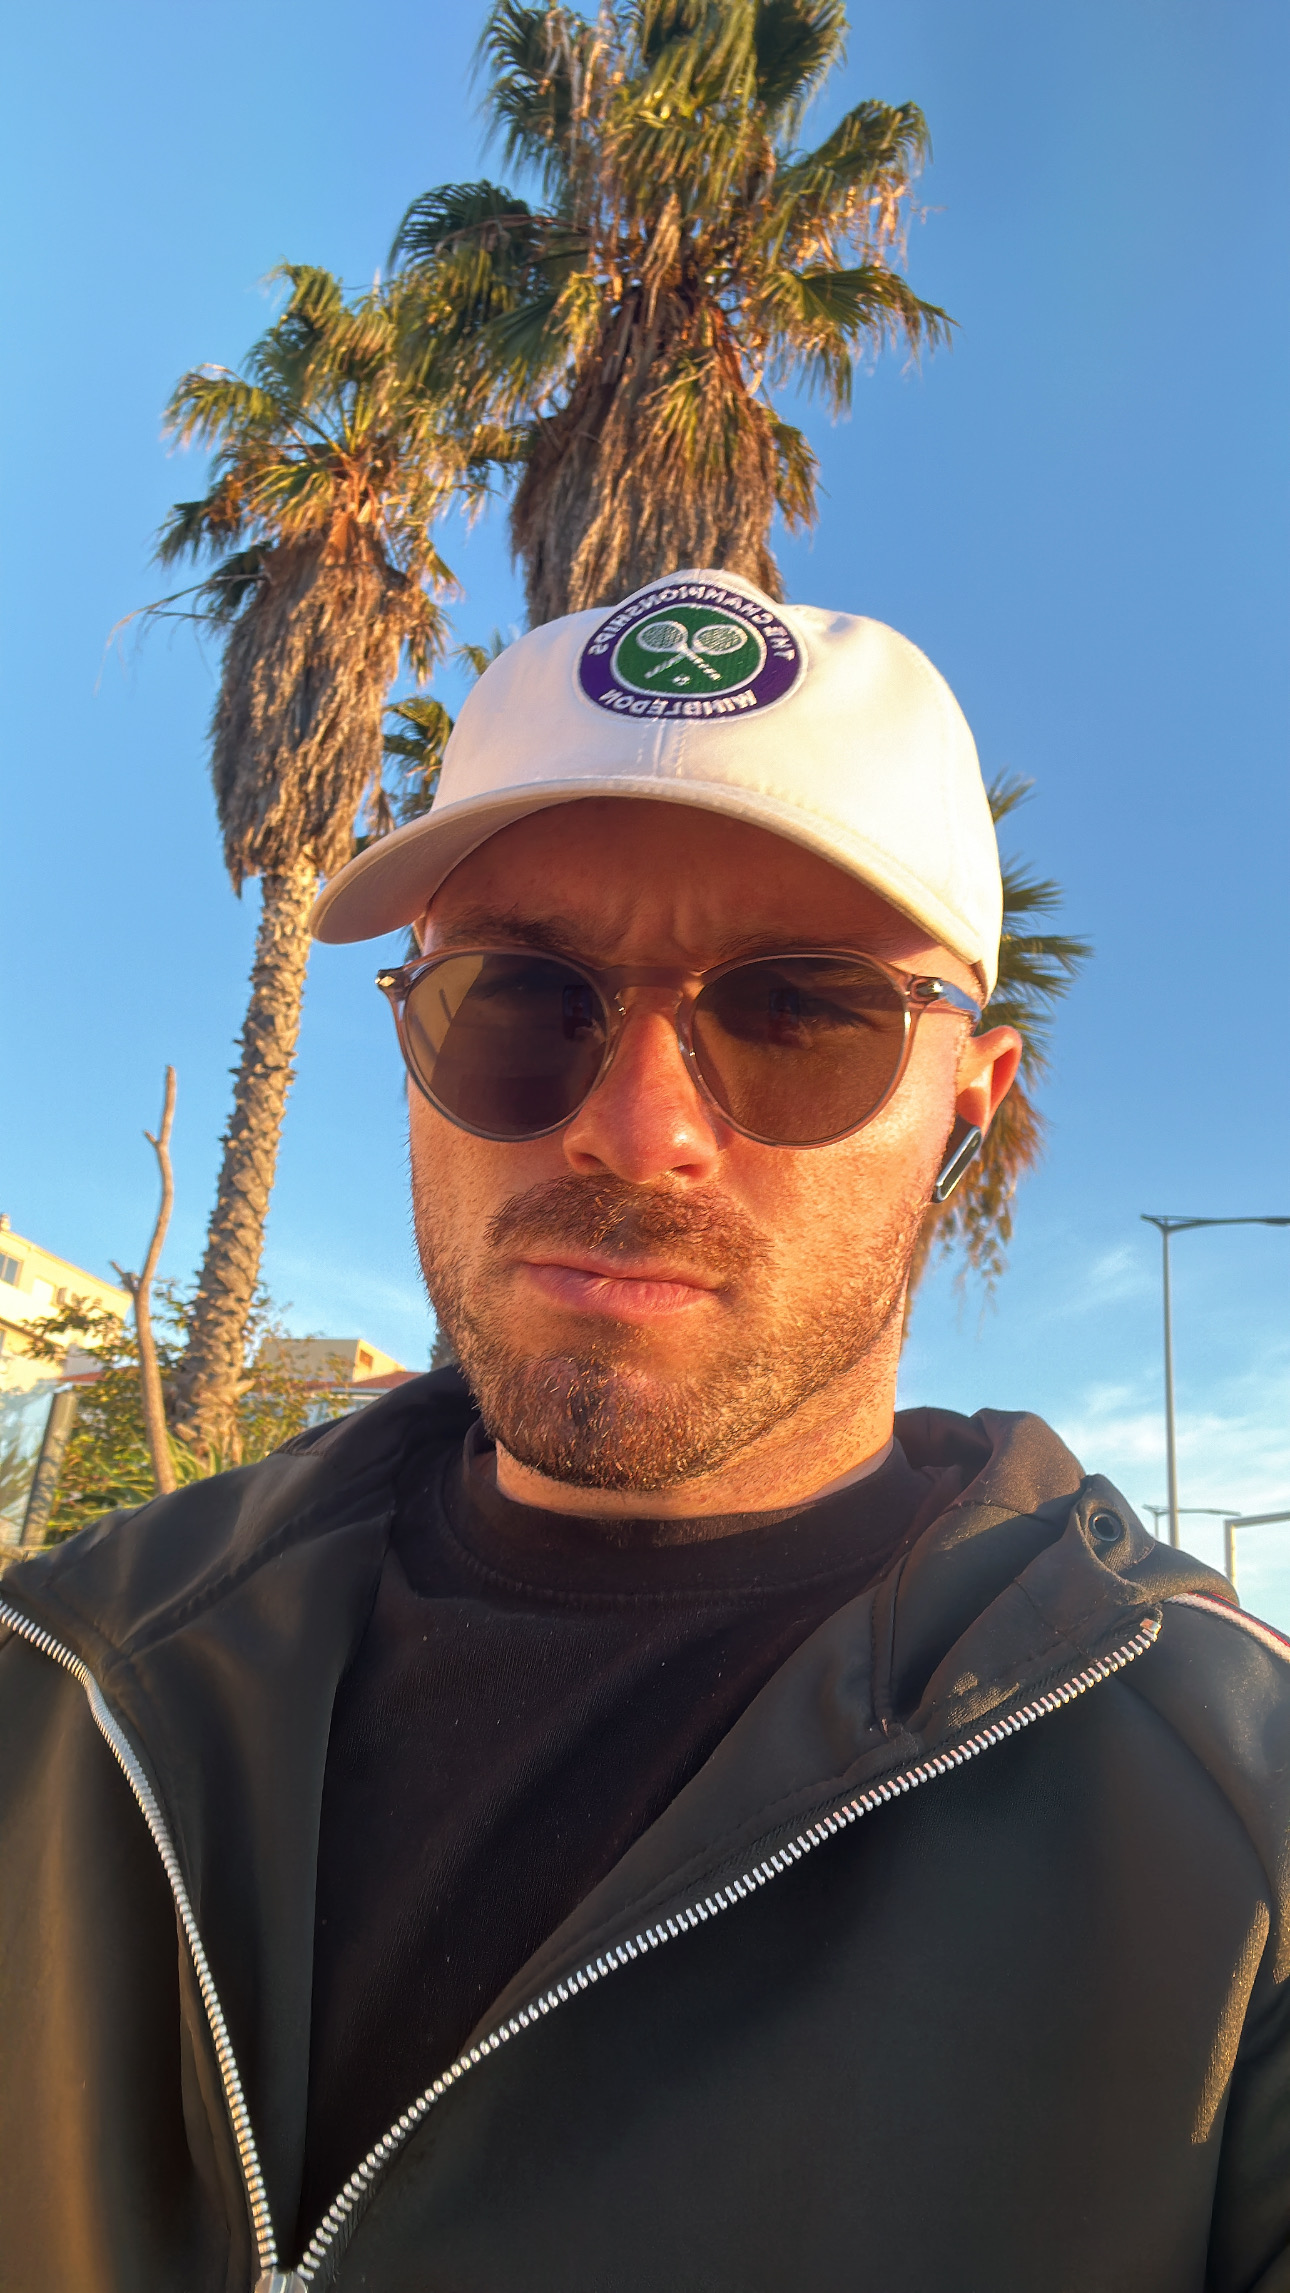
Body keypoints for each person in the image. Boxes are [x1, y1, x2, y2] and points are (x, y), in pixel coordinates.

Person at [1, 570, 1286, 2293]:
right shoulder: (62, 1678)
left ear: (964, 1110)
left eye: (797, 1011)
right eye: (523, 994)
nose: (634, 1127)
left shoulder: (1237, 1831)